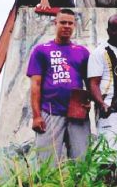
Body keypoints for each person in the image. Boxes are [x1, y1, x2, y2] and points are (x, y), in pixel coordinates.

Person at [26, 9, 91, 163]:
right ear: (54, 24)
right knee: (46, 164)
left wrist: (88, 102)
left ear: (74, 26)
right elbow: (35, 85)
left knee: (82, 163)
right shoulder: (41, 50)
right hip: (50, 112)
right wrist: (36, 116)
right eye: (63, 22)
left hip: (77, 114)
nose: (67, 26)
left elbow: (90, 84)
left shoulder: (82, 52)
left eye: (70, 23)